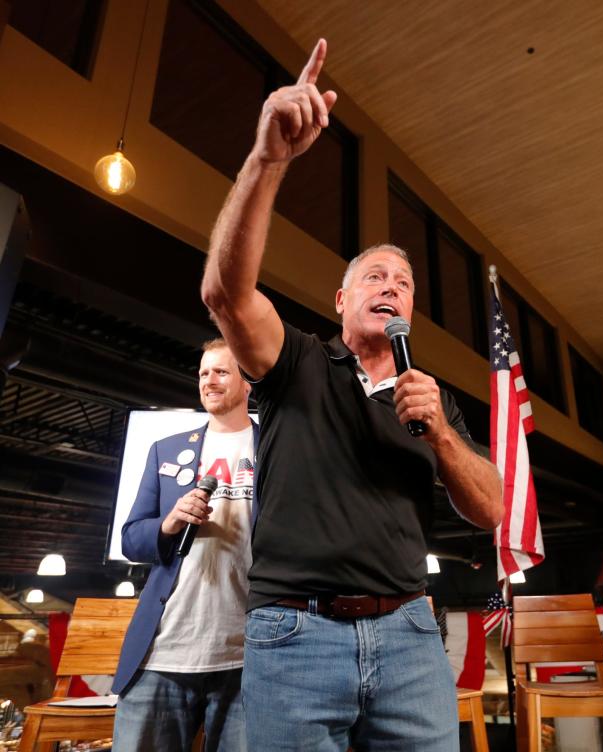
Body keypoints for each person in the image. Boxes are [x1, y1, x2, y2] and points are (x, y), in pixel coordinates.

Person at [200, 38, 503, 752]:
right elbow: (224, 293)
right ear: (342, 300)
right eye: (375, 277)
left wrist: (442, 435)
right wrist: (268, 159)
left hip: (408, 637)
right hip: (297, 635)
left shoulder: (429, 397)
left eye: (403, 283)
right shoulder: (297, 361)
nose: (391, 286)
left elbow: (490, 507)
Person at [112, 339, 257, 752]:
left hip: (248, 659)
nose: (209, 380)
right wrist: (170, 521)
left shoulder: (274, 448)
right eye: (203, 373)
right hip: (163, 653)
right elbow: (131, 540)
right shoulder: (167, 449)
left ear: (247, 381)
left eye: (221, 371)